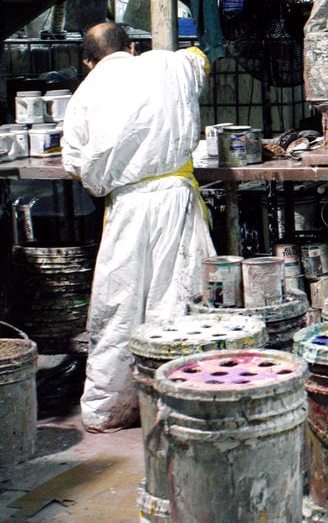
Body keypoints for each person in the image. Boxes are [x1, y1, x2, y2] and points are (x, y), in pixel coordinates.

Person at [62, 22, 215, 432]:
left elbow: (76, 165)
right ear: (131, 46)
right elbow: (200, 60)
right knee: (179, 299)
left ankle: (109, 410)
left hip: (127, 206)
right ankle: (183, 404)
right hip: (175, 199)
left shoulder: (83, 96)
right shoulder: (167, 64)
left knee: (119, 307)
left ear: (87, 62)